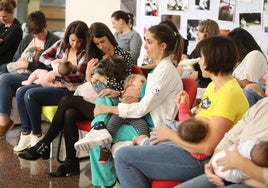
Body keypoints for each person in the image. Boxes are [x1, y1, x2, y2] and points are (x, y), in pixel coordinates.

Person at [113, 35, 249, 188]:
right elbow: (197, 126)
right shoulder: (213, 87)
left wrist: (170, 135)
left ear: (213, 59)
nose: (200, 62)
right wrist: (184, 109)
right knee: (140, 147)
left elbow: (206, 148)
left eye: (201, 57)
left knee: (123, 157)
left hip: (200, 159)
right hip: (189, 147)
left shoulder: (230, 93)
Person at [18, 22, 132, 178]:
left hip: (111, 107)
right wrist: (89, 77)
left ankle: (44, 143)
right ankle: (70, 162)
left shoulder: (123, 55)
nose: (101, 46)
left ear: (110, 37)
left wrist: (96, 79)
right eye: (97, 44)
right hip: (94, 100)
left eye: (103, 42)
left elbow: (122, 87)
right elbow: (89, 84)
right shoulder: (97, 56)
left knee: (66, 101)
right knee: (69, 113)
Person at [177, 72, 268, 188]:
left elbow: (207, 148)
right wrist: (214, 162)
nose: (265, 76)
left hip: (249, 177)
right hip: (231, 166)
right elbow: (229, 138)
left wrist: (241, 165)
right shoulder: (262, 105)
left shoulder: (230, 92)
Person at [13, 20, 88, 152]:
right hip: (54, 84)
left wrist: (58, 75)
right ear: (67, 37)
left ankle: (36, 136)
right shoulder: (62, 44)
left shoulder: (84, 53)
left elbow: (79, 77)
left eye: (79, 41)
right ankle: (26, 134)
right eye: (72, 40)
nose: (75, 44)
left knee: (31, 95)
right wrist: (57, 65)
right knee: (20, 91)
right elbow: (43, 56)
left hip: (69, 90)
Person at [0, 11, 60, 139]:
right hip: (21, 73)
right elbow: (16, 58)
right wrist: (19, 64)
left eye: (40, 32)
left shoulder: (54, 42)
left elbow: (51, 68)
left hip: (39, 77)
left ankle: (4, 121)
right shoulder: (28, 39)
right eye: (34, 34)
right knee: (2, 74)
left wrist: (28, 65)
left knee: (4, 78)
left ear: (46, 26)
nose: (38, 36)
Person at [75, 74, 148, 164]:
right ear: (131, 81)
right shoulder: (127, 90)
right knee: (111, 127)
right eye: (142, 82)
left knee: (143, 125)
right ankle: (105, 148)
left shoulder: (144, 92)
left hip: (135, 115)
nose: (144, 84)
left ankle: (144, 140)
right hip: (120, 113)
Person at [180, 19, 220, 106]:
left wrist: (198, 74)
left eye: (200, 31)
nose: (197, 34)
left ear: (208, 33)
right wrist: (186, 58)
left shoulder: (214, 51)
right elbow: (192, 59)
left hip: (203, 86)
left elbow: (216, 72)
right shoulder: (200, 47)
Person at [228, 27, 268, 106]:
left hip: (250, 101)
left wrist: (224, 76)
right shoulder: (239, 61)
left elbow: (247, 84)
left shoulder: (255, 54)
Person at [0, 0, 23, 65]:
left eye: (4, 16)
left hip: (5, 63)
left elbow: (1, 50)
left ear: (12, 13)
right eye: (0, 16)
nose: (1, 19)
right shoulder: (1, 25)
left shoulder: (16, 29)